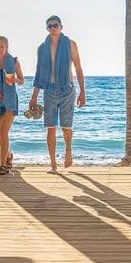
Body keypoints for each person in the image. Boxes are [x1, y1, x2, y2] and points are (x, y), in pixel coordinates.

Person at [29, 15, 86, 173]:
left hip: (67, 89)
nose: (53, 28)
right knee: (51, 128)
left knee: (66, 127)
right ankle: (53, 164)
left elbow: (79, 68)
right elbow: (39, 72)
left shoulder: (70, 45)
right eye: (50, 26)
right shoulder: (42, 48)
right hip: (49, 90)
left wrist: (83, 92)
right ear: (47, 29)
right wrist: (34, 96)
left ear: (61, 27)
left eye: (55, 25)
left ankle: (68, 150)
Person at [0, 36, 24, 175]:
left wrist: (14, 79)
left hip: (9, 100)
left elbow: (22, 80)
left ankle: (2, 165)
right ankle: (8, 156)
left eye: (2, 46)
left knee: (3, 132)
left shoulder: (14, 62)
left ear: (7, 47)